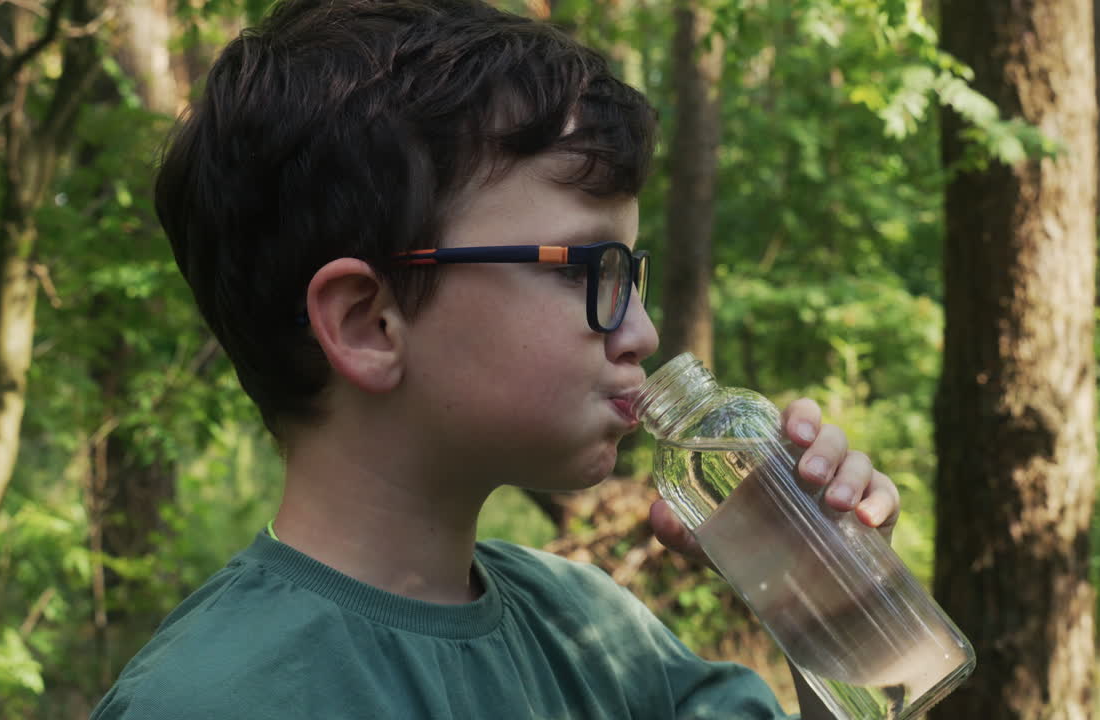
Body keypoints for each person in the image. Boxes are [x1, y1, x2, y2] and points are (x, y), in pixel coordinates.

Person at [91, 1, 902, 718]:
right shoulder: (211, 700)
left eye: (632, 271)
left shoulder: (598, 636)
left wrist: (821, 604)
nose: (643, 334)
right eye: (591, 270)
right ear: (370, 323)